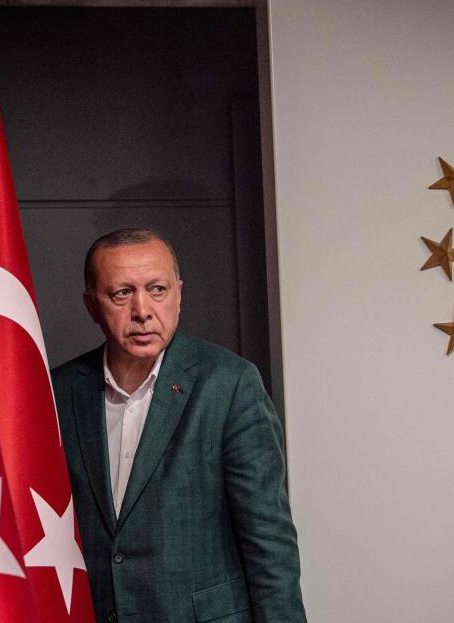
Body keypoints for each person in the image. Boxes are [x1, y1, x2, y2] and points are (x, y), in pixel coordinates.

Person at [51, 228, 306, 623]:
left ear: (179, 294)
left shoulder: (229, 384)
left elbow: (269, 542)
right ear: (91, 304)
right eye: (122, 293)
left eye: (157, 290)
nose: (142, 310)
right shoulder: (60, 390)